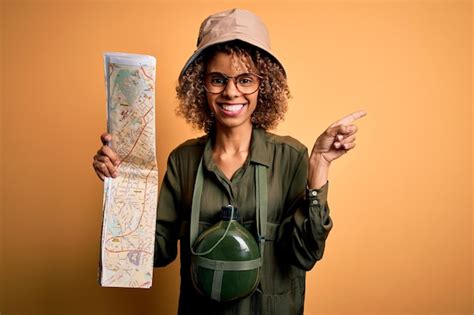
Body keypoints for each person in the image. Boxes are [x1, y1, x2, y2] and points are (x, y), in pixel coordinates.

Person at [93, 8, 366, 314]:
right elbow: (156, 253)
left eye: (245, 79)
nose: (232, 92)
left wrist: (320, 166)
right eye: (218, 79)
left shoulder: (291, 157)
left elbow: (305, 254)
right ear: (201, 85)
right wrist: (122, 188)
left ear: (264, 85)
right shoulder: (183, 161)